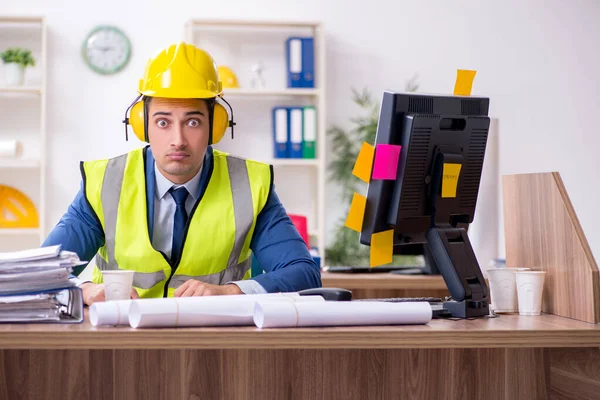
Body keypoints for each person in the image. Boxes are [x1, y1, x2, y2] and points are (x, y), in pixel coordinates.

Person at [43, 42, 321, 305]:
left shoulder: (251, 185)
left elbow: (304, 274)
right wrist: (85, 290)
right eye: (163, 122)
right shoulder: (104, 184)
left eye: (193, 121)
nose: (178, 139)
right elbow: (41, 273)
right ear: (143, 127)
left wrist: (231, 292)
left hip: (215, 341)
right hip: (122, 340)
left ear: (216, 126)